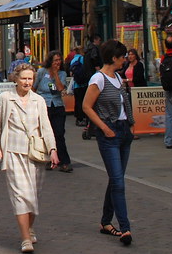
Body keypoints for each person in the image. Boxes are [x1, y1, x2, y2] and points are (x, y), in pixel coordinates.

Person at [0, 64, 58, 253]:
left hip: (36, 153)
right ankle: (25, 239)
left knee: (33, 198)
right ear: (16, 79)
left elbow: (46, 126)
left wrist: (52, 149)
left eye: (30, 79)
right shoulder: (5, 99)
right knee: (21, 196)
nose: (27, 82)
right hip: (12, 152)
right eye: (24, 78)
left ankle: (28, 226)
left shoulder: (39, 100)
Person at [82, 39, 135, 247]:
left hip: (123, 132)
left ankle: (105, 222)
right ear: (114, 58)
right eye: (122, 57)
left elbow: (125, 104)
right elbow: (87, 106)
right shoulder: (99, 78)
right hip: (110, 134)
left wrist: (131, 126)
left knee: (116, 179)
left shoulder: (118, 77)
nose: (124, 60)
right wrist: (104, 128)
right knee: (119, 182)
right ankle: (125, 228)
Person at [35, 52, 72, 173]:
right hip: (43, 105)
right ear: (50, 61)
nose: (58, 62)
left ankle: (64, 161)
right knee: (45, 133)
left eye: (59, 60)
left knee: (59, 133)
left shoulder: (62, 73)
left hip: (57, 105)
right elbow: (34, 88)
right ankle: (49, 159)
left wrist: (56, 74)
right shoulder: (41, 72)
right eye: (55, 60)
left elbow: (60, 88)